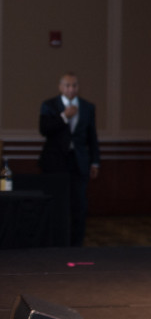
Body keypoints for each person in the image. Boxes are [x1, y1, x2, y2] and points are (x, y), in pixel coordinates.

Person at [39, 72, 100, 246]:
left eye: (74, 86)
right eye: (67, 85)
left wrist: (95, 161)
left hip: (79, 162)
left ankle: (76, 243)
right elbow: (44, 129)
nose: (71, 89)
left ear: (78, 87)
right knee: (56, 203)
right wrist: (65, 116)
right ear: (60, 87)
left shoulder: (88, 107)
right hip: (55, 163)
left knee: (79, 205)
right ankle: (55, 242)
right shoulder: (49, 105)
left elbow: (92, 137)